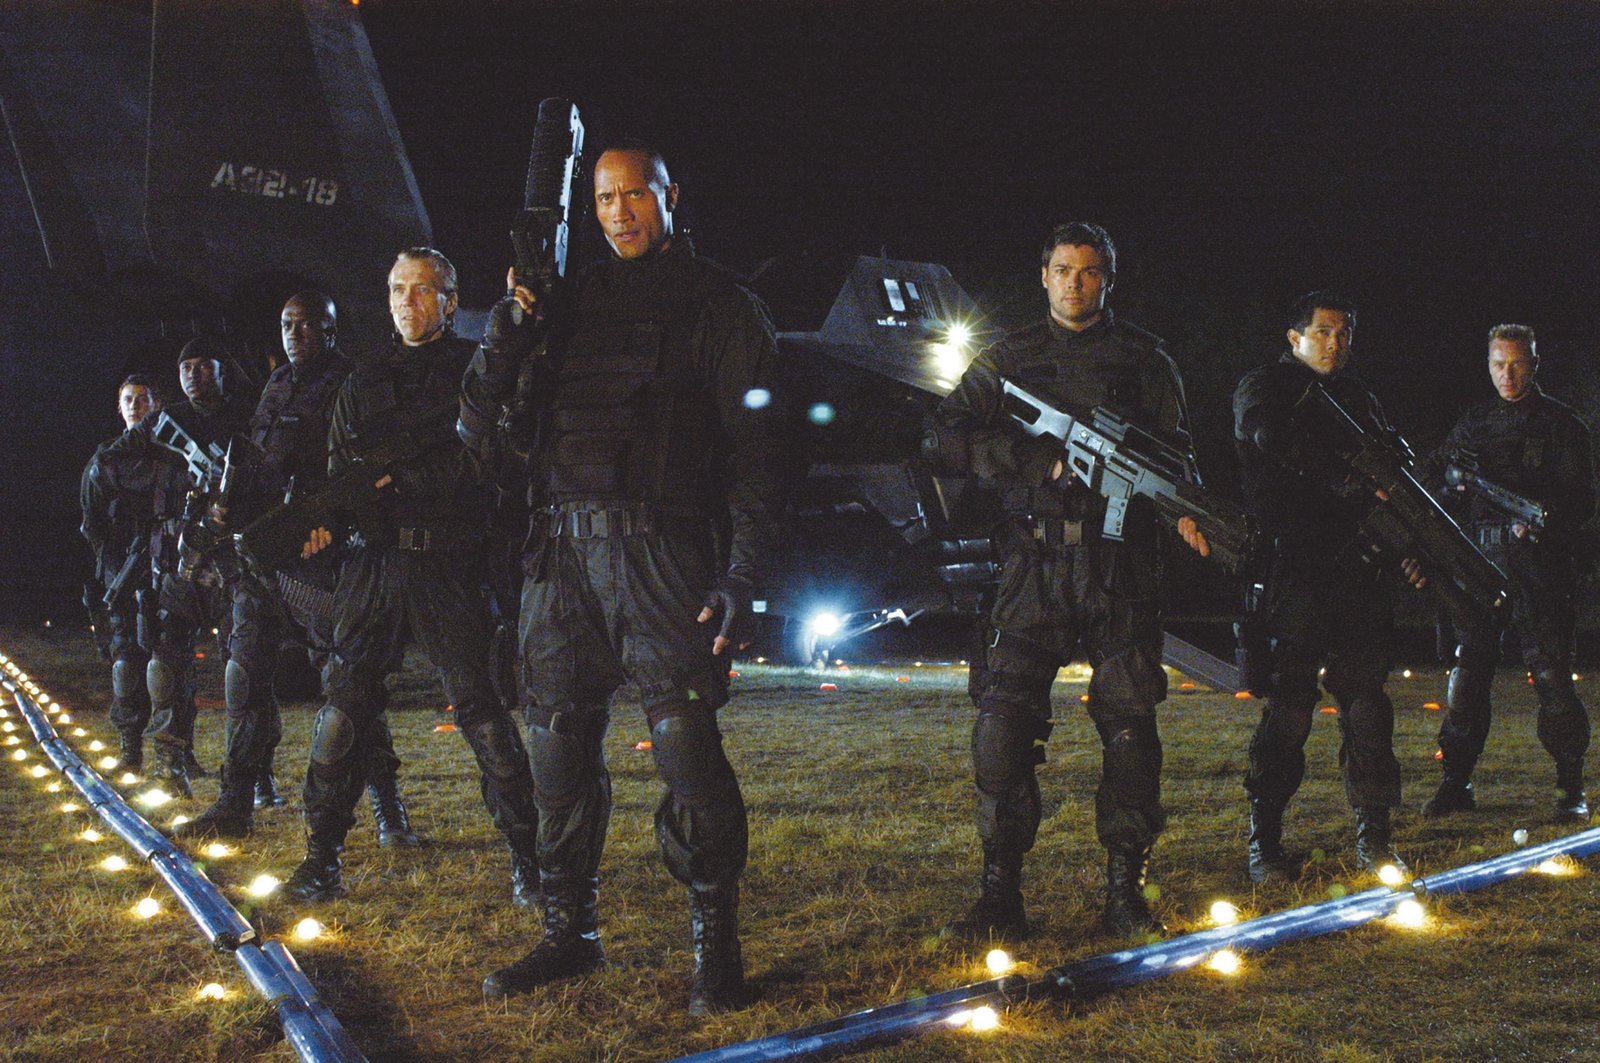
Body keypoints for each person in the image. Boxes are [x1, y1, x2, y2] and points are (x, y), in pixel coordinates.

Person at [462, 142, 782, 1013]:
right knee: (556, 743)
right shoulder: (561, 303)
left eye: (635, 194)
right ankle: (571, 931)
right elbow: (483, 435)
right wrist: (509, 329)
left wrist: (743, 572)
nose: (619, 212)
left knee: (684, 745)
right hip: (562, 557)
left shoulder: (721, 305)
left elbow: (758, 454)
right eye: (604, 198)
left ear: (670, 195)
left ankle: (716, 945)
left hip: (662, 555)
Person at [926, 222, 1209, 942]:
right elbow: (943, 435)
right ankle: (1000, 897)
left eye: (1089, 272)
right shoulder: (1009, 358)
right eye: (1063, 269)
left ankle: (1125, 892)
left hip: (1119, 570)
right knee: (1001, 728)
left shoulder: (1146, 360)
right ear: (1044, 275)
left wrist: (1186, 514)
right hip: (1032, 565)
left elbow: (1178, 459)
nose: (1075, 283)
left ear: (1108, 279)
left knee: (1131, 733)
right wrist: (1035, 462)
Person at [283, 249, 541, 903]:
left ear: (450, 301)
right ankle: (321, 859)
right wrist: (328, 521)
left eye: (422, 290)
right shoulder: (363, 381)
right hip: (373, 565)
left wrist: (404, 481)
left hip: (447, 563)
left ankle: (530, 860)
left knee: (484, 714)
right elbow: (340, 476)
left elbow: (488, 461)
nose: (406, 301)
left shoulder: (476, 370)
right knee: (342, 713)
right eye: (397, 289)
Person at [174, 292, 419, 843]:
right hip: (262, 558)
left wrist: (332, 524)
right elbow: (261, 465)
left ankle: (388, 806)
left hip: (320, 561)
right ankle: (235, 802)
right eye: (288, 324)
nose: (296, 334)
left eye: (308, 325)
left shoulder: (352, 383)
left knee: (347, 685)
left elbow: (367, 472)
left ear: (330, 331)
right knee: (243, 675)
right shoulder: (277, 384)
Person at [1233, 291, 1421, 885]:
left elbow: (1395, 481)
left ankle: (1375, 837)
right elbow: (1267, 436)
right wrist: (1344, 478)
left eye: (1344, 334)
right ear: (1295, 337)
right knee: (1289, 708)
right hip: (1294, 570)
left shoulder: (1360, 398)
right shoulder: (1265, 388)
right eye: (1323, 332)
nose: (1334, 343)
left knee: (1366, 707)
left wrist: (1410, 546)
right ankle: (1265, 841)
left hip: (1357, 572)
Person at [1418, 325, 1593, 821]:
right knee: (1468, 676)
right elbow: (1436, 480)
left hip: (1538, 567)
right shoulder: (1473, 424)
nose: (1508, 375)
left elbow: (1581, 500)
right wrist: (1451, 494)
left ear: (1535, 364)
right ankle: (1456, 781)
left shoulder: (1562, 425)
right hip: (1478, 563)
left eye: (1517, 364)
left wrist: (1542, 523)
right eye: (1499, 365)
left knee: (1552, 676)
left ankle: (1569, 788)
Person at [96, 339, 256, 796]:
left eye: (203, 366)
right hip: (179, 557)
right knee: (166, 660)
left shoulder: (246, 416)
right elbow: (110, 461)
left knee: (245, 666)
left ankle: (252, 773)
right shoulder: (164, 423)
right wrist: (174, 476)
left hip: (235, 557)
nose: (193, 375)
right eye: (186, 367)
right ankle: (170, 763)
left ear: (221, 370)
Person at [80, 375, 163, 769]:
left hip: (166, 564)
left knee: (170, 662)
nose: (135, 405)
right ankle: (131, 746)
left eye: (142, 399)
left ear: (156, 405)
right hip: (123, 569)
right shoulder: (104, 461)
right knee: (126, 659)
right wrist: (114, 568)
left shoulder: (168, 455)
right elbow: (91, 523)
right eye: (128, 399)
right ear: (119, 406)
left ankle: (175, 753)